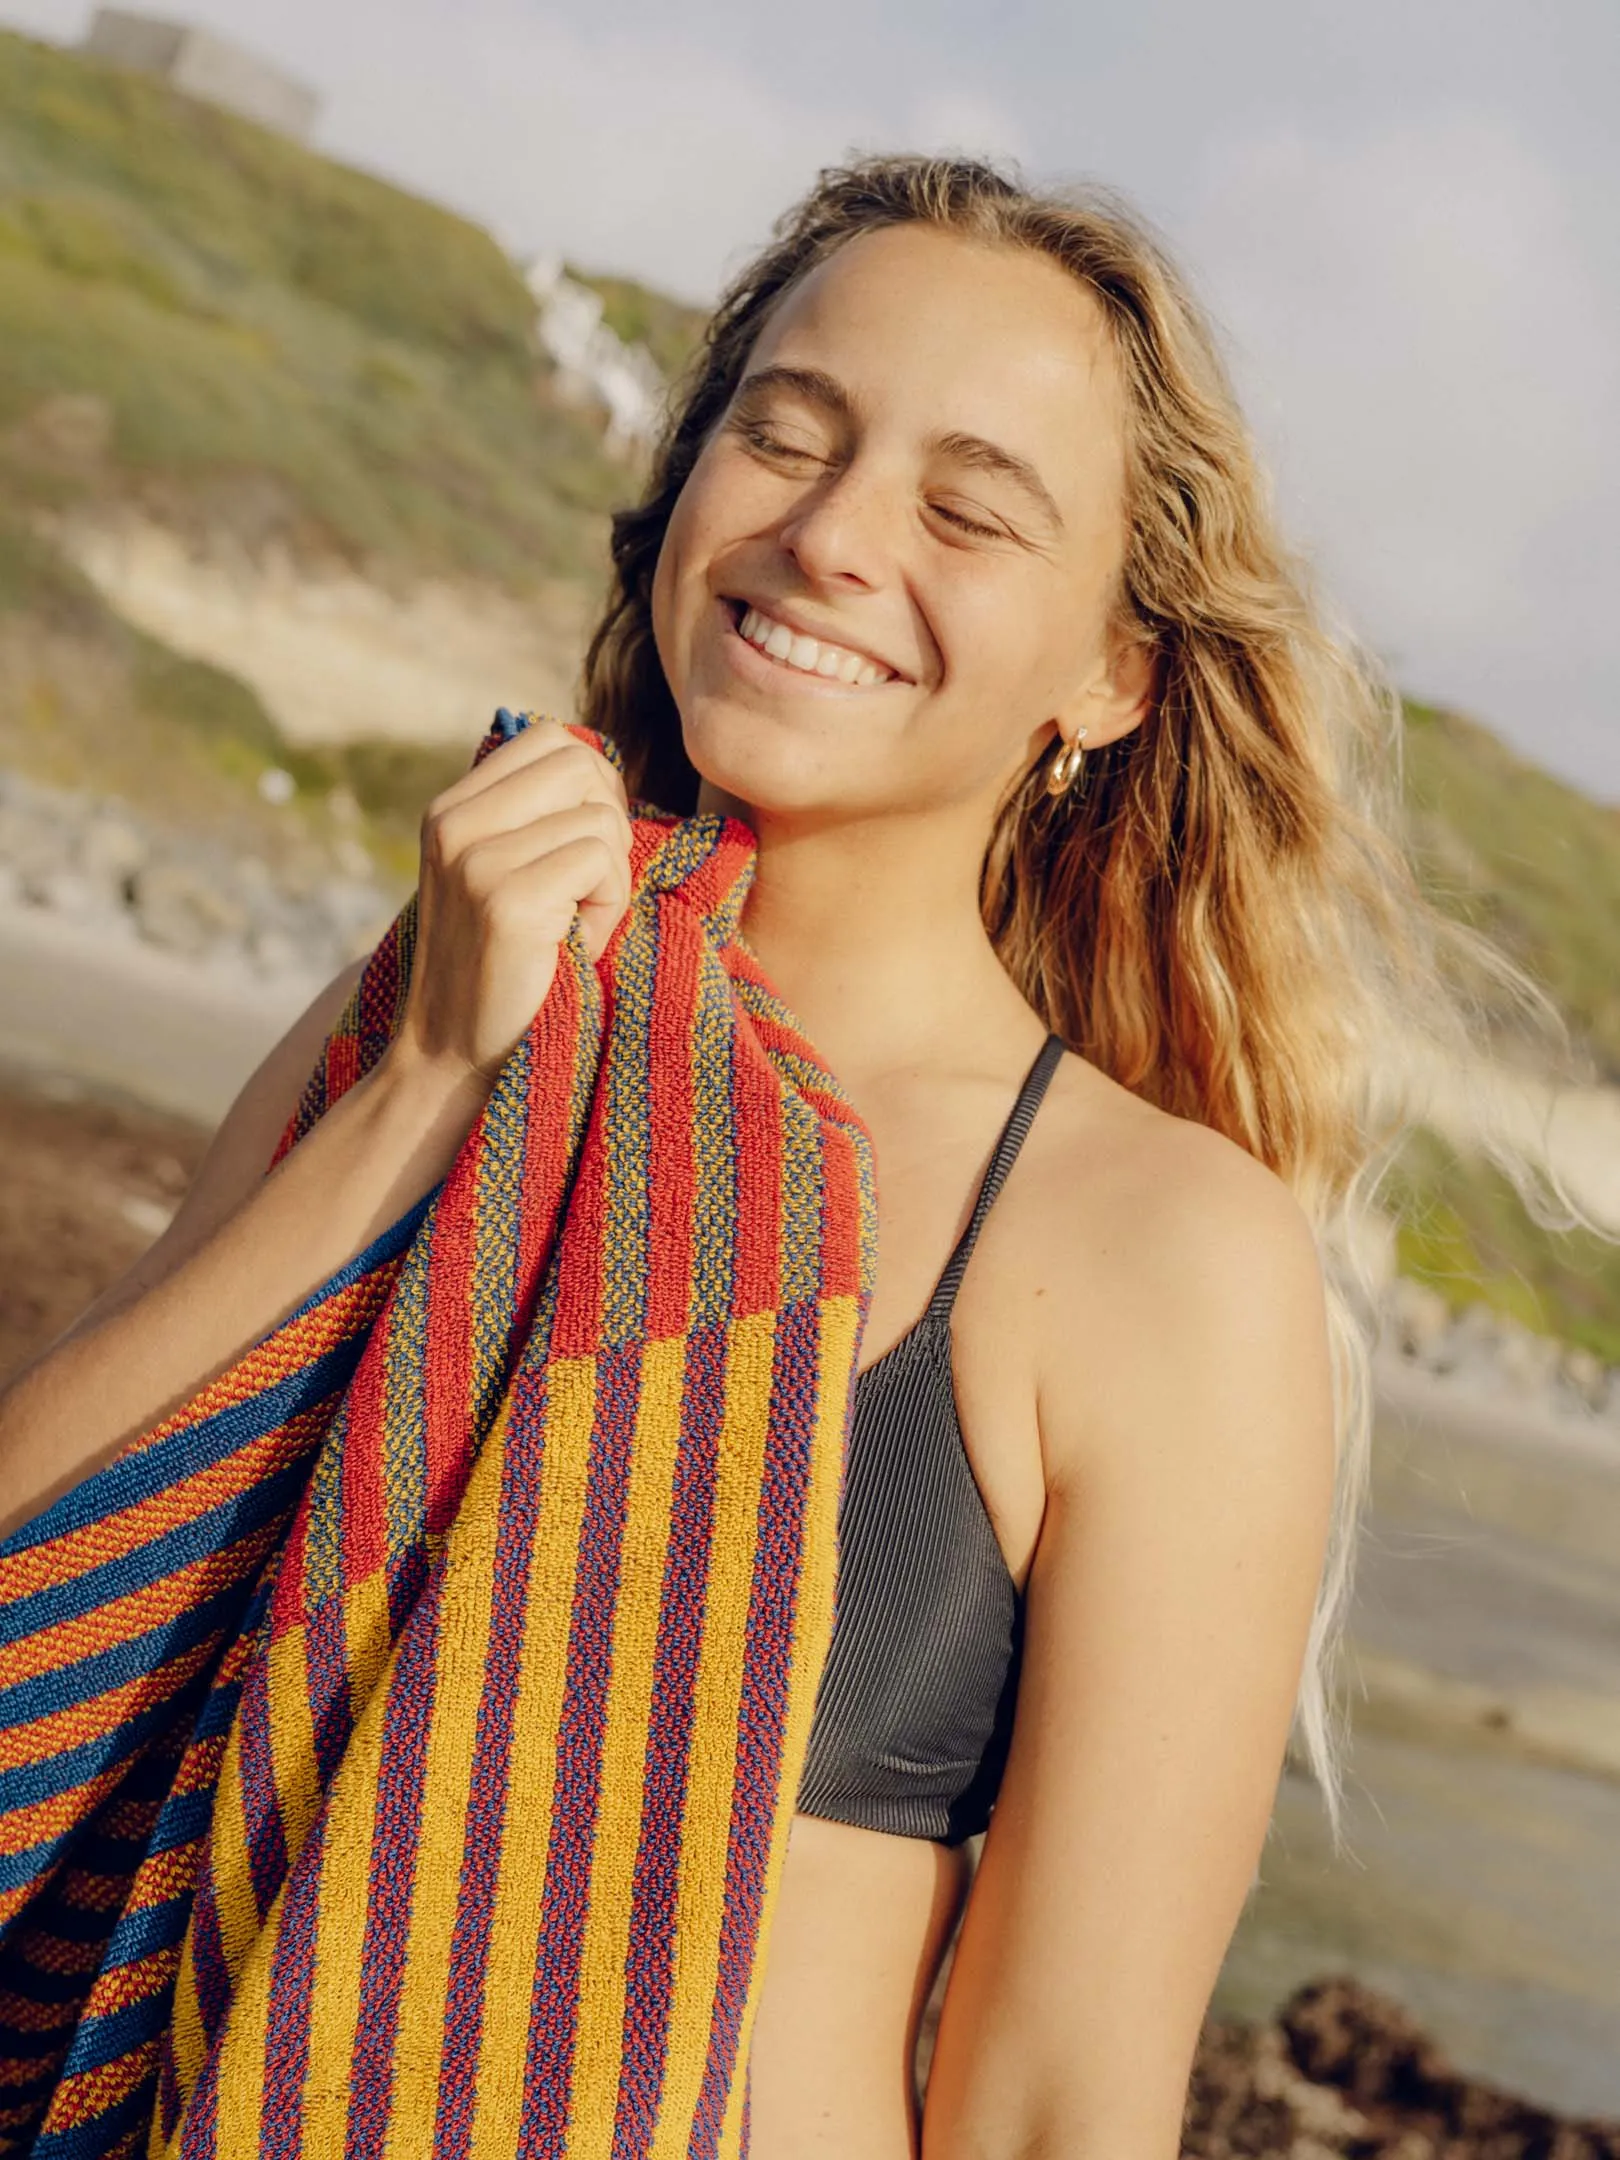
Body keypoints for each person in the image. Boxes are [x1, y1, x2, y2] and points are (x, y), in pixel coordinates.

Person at [0, 154, 1548, 2159]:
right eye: (785, 437)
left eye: (966, 509)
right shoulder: (457, 992)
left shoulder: (1153, 1244)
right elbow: (43, 1570)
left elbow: (1059, 2101)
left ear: (1113, 675)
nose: (829, 538)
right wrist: (419, 1096)